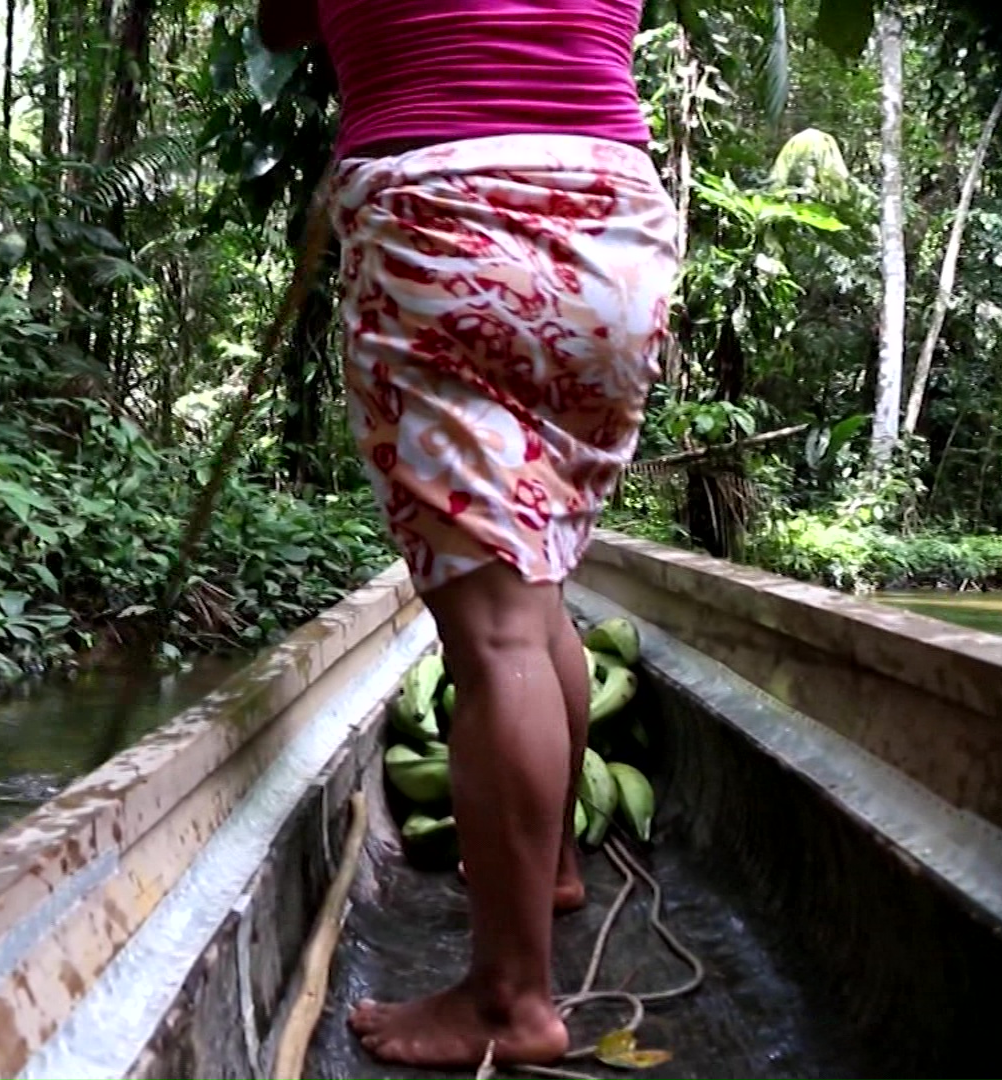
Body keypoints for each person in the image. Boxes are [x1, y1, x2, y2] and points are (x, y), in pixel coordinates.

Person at [256, 0, 679, 1070]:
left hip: (439, 205)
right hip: (614, 219)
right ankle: (550, 874)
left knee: (491, 635)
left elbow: (281, 23)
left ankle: (508, 997)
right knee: (538, 590)